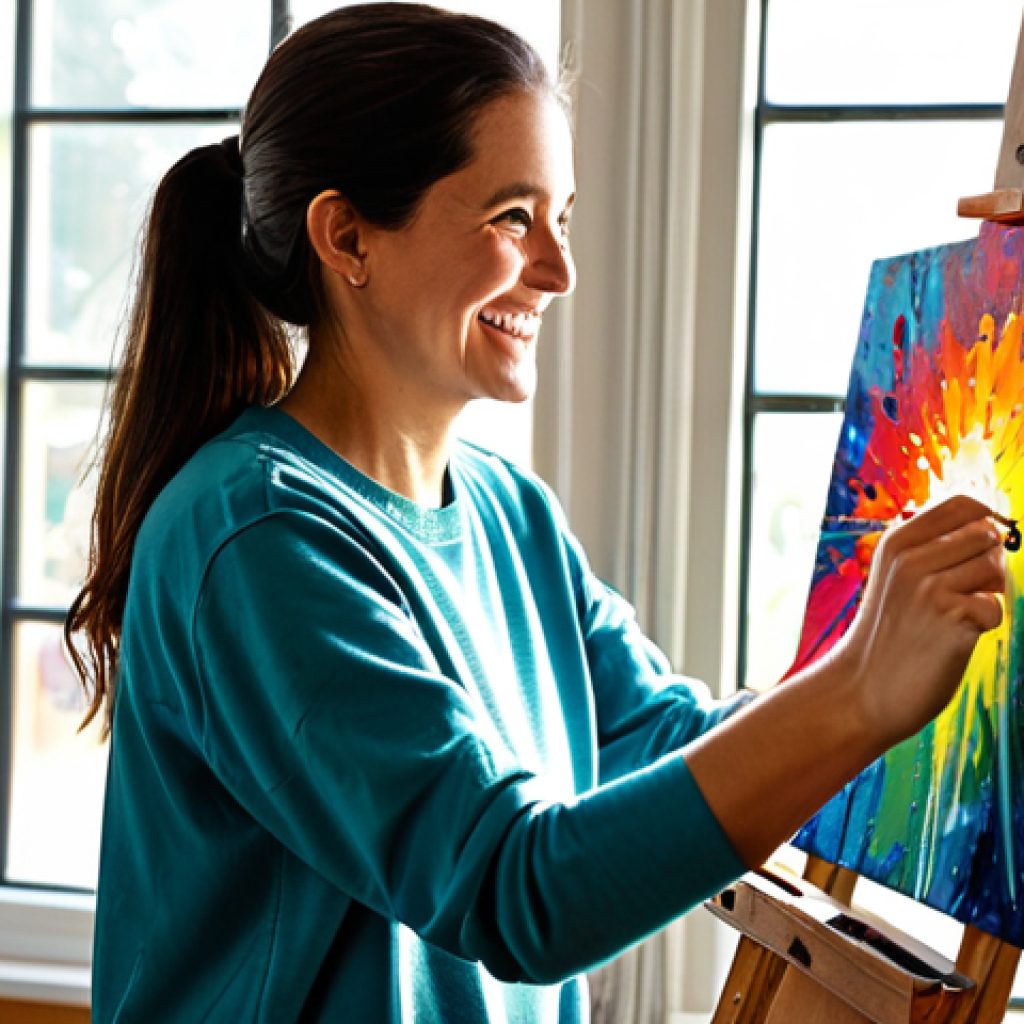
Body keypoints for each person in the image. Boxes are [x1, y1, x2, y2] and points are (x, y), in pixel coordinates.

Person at [68, 5, 1006, 1022]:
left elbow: (669, 740)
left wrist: (904, 643)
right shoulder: (255, 535)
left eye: (561, 216)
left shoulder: (510, 512)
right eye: (512, 217)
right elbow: (518, 892)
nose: (558, 271)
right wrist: (858, 689)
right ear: (347, 236)